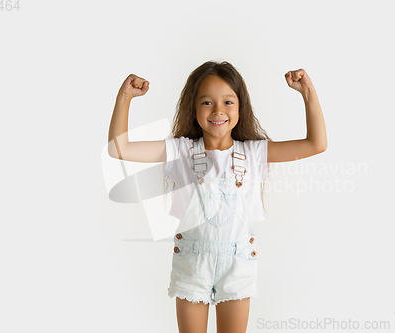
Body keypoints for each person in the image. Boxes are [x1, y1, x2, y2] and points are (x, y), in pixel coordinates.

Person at [107, 61, 327, 333]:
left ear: (240, 107)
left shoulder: (254, 154)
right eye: (207, 102)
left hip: (237, 265)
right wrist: (125, 97)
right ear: (194, 109)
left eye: (228, 102)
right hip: (192, 264)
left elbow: (316, 144)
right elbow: (119, 149)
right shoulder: (181, 151)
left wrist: (308, 93)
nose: (218, 110)